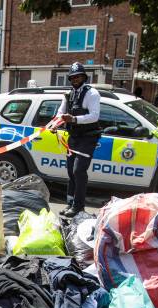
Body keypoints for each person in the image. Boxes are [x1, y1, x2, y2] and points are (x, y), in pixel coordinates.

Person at [51, 62, 102, 217]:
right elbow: (61, 112)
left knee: (79, 171)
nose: (75, 79)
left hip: (88, 138)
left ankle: (79, 206)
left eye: (78, 76)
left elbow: (94, 116)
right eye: (72, 77)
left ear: (83, 77)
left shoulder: (92, 94)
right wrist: (55, 124)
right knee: (70, 172)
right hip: (73, 137)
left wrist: (73, 119)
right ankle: (70, 203)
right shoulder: (69, 94)